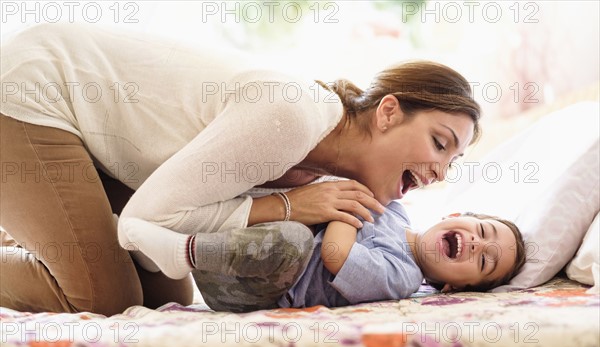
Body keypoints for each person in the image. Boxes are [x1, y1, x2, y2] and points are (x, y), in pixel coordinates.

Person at [0, 23, 480, 315]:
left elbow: (182, 222)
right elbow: (144, 222)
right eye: (440, 143)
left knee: (161, 295)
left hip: (110, 142)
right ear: (389, 111)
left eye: (452, 163)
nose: (439, 171)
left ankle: (25, 228)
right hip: (38, 90)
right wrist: (288, 207)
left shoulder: (318, 170)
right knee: (103, 298)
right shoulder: (290, 119)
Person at [119, 201, 526, 313]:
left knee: (294, 242)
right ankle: (160, 251)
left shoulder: (402, 277)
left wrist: (345, 204)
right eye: (483, 232)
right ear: (456, 216)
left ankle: (179, 254)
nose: (476, 244)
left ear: (455, 286)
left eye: (485, 261)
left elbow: (334, 254)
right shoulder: (393, 208)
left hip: (251, 289)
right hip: (232, 246)